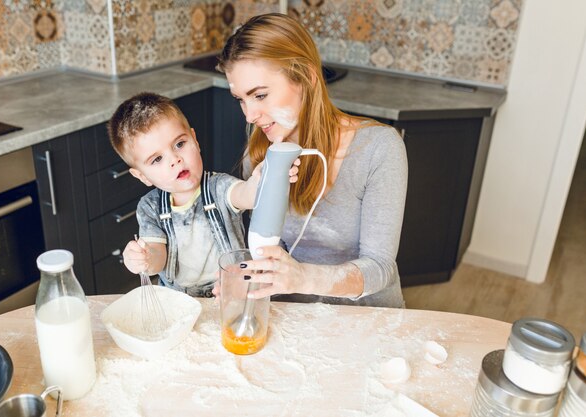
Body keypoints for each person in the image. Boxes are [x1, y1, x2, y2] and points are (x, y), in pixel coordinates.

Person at [216, 13, 408, 307]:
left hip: (367, 317)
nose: (250, 115)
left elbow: (380, 267)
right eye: (241, 99)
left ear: (306, 77)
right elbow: (272, 247)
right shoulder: (260, 146)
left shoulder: (379, 148)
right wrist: (245, 276)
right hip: (293, 312)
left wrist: (301, 277)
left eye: (260, 95)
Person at [108, 92, 298, 297]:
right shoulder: (150, 207)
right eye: (157, 159)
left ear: (195, 140)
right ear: (142, 176)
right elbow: (158, 258)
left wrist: (262, 181)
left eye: (179, 144)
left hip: (230, 292)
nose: (175, 159)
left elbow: (247, 195)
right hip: (179, 301)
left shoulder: (219, 186)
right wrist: (144, 259)